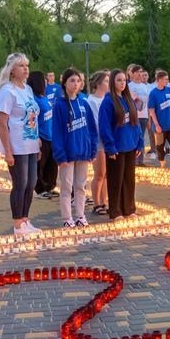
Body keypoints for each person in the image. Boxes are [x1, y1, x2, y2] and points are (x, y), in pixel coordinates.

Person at [0, 53, 43, 235]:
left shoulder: (27, 89)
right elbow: (2, 122)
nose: (26, 69)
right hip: (17, 145)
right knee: (20, 183)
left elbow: (32, 116)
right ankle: (17, 224)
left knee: (31, 182)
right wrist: (7, 150)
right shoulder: (8, 91)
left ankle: (25, 219)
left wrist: (37, 139)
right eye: (21, 65)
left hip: (31, 142)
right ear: (12, 70)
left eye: (27, 65)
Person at [52, 67, 98, 228]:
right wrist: (60, 154)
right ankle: (67, 218)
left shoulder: (84, 103)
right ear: (64, 83)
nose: (76, 84)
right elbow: (56, 131)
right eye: (72, 80)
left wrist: (93, 149)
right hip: (67, 153)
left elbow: (92, 128)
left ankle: (80, 215)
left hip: (83, 152)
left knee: (81, 186)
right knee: (66, 186)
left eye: (78, 81)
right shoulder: (59, 105)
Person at [99, 68, 143, 220]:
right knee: (116, 180)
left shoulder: (128, 99)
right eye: (119, 80)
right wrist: (110, 146)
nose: (122, 83)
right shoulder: (108, 101)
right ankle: (116, 211)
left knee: (129, 179)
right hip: (116, 148)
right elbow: (104, 127)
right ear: (112, 82)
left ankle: (129, 209)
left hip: (130, 146)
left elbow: (136, 123)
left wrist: (140, 143)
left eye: (124, 80)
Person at [28, 70, 57, 198]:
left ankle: (49, 186)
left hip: (51, 135)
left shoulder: (43, 98)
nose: (46, 84)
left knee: (51, 164)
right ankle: (39, 189)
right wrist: (37, 136)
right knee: (40, 164)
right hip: (41, 136)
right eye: (44, 81)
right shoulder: (33, 99)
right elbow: (32, 120)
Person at [87, 70, 110, 217]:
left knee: (107, 173)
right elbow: (94, 122)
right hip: (98, 141)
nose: (109, 84)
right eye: (106, 81)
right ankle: (96, 203)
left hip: (108, 140)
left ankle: (104, 200)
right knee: (99, 173)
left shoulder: (107, 99)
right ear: (98, 84)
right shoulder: (91, 101)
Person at [147, 69, 170, 168]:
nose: (167, 81)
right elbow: (151, 110)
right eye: (166, 79)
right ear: (159, 80)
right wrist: (156, 125)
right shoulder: (153, 93)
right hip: (159, 126)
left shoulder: (169, 90)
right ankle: (162, 162)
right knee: (160, 146)